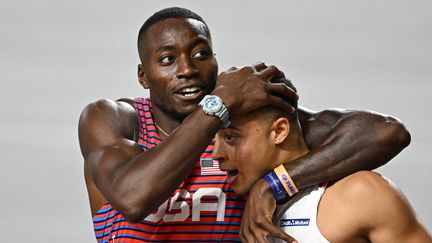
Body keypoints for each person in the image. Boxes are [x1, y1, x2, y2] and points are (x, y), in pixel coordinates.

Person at [78, 7, 411, 242]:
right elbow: (133, 198)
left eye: (200, 54)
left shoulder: (241, 127)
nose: (187, 70)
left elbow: (385, 132)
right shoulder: (116, 120)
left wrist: (275, 185)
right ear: (143, 75)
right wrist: (217, 104)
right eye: (167, 60)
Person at [212, 78, 432, 242]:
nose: (216, 154)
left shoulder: (359, 193)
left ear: (279, 131)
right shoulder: (232, 207)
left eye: (231, 137)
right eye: (215, 140)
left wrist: (274, 184)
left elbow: (389, 132)